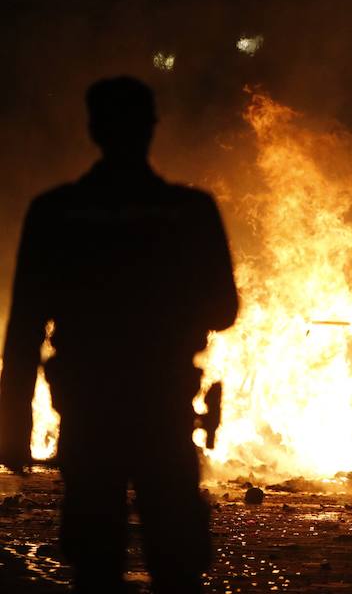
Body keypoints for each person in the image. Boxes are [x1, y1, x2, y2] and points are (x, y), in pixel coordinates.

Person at [0, 76, 238, 593]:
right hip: (162, 406)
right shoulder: (189, 212)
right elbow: (224, 309)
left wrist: (13, 424)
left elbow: (23, 330)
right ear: (151, 128)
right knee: (176, 558)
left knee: (95, 559)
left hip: (89, 411)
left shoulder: (56, 212)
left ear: (94, 129)